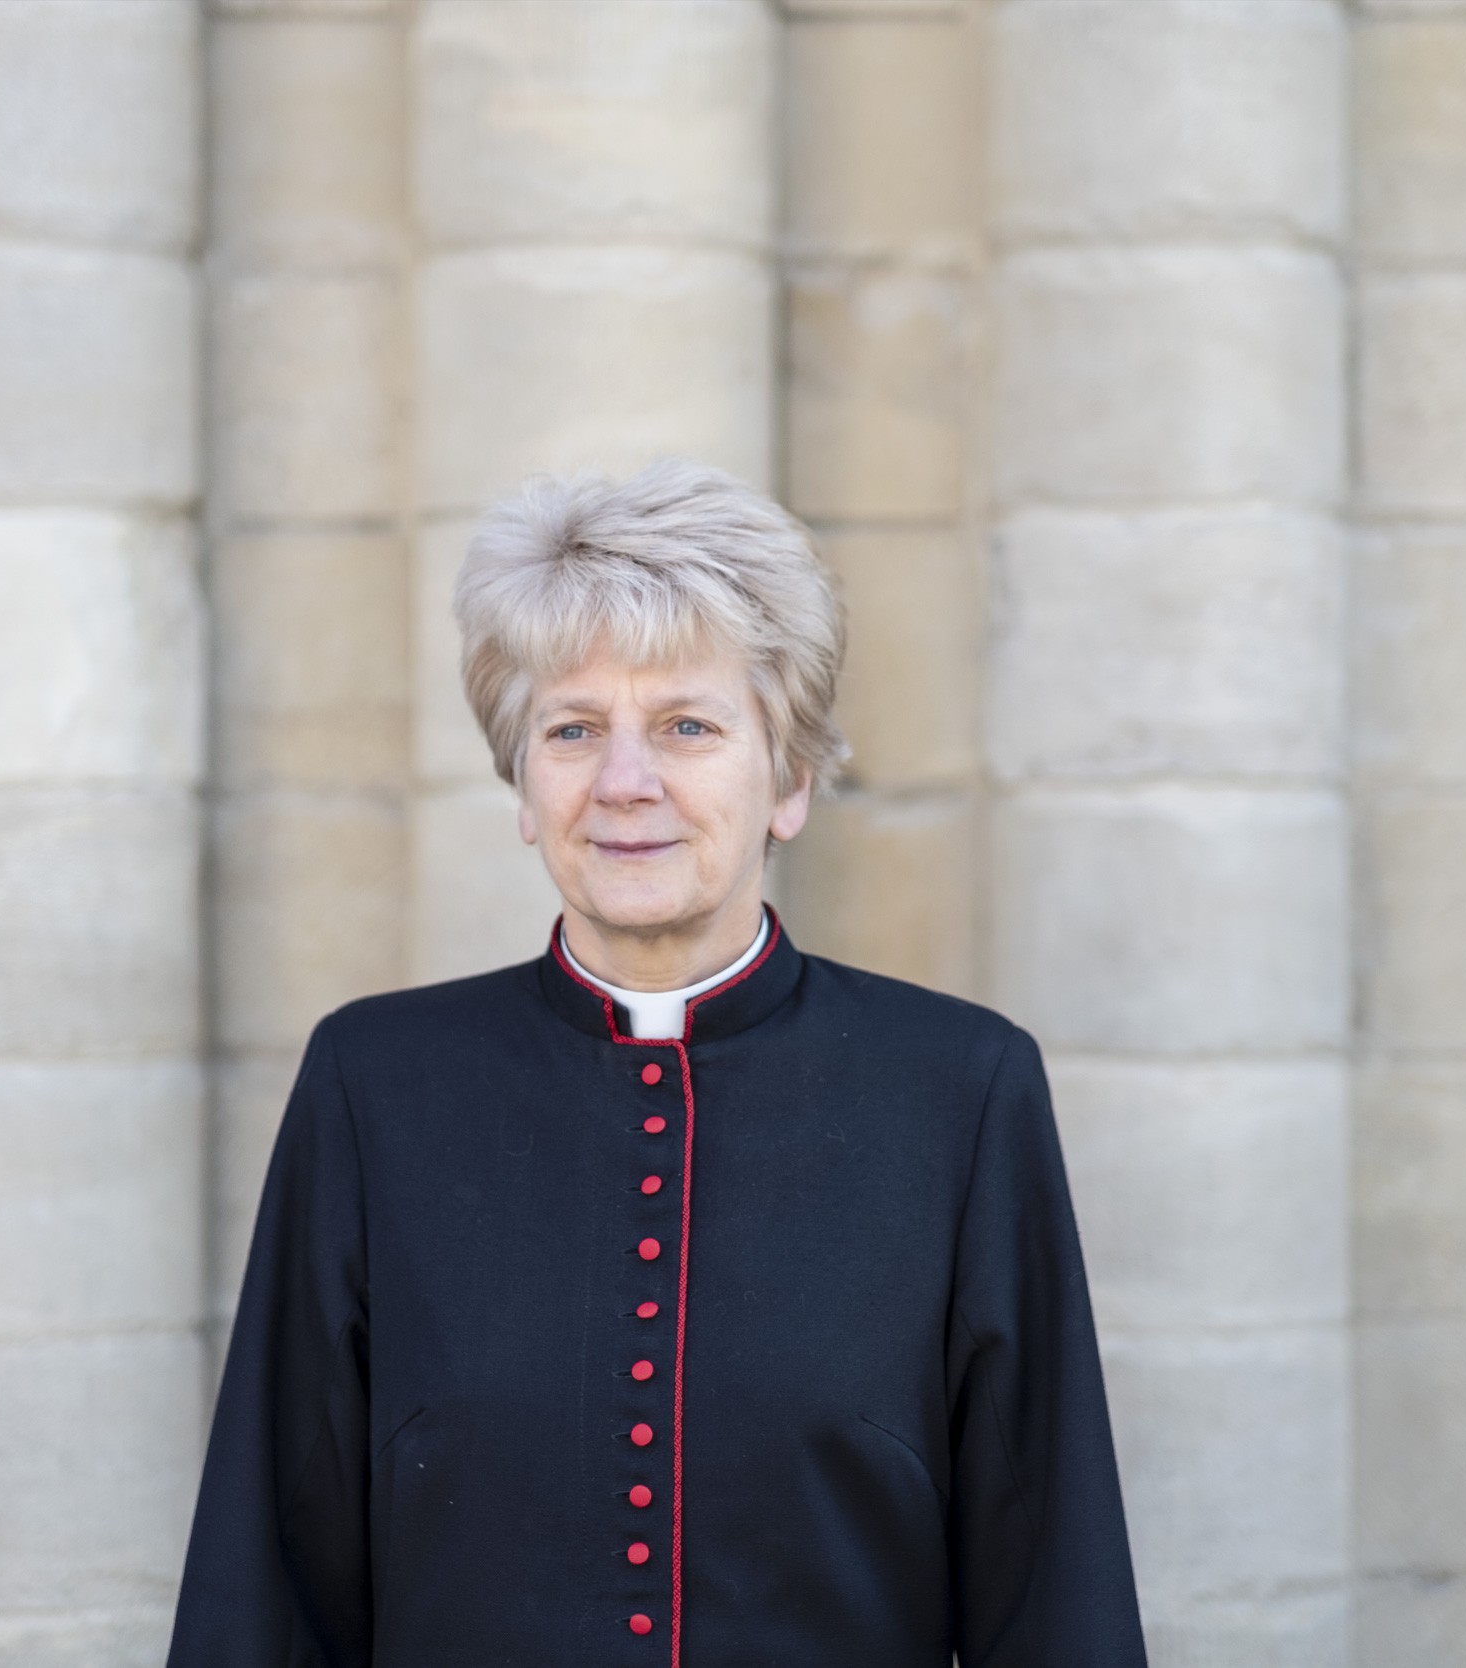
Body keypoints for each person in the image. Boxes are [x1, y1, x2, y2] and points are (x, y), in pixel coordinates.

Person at [167, 459, 1145, 1667]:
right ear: (523, 787)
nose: (626, 783)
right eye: (572, 731)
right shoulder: (375, 1085)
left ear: (787, 779)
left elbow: (1053, 1586)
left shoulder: (960, 1090)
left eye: (687, 725)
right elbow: (268, 1578)